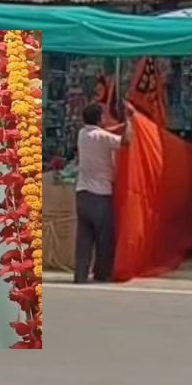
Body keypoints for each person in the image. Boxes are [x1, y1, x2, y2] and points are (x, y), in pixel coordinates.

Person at [74, 101, 130, 283]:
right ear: (99, 119)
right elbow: (126, 141)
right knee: (104, 239)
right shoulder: (102, 137)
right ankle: (101, 273)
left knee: (84, 239)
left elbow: (105, 132)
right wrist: (129, 120)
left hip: (82, 193)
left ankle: (80, 275)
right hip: (101, 195)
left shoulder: (82, 134)